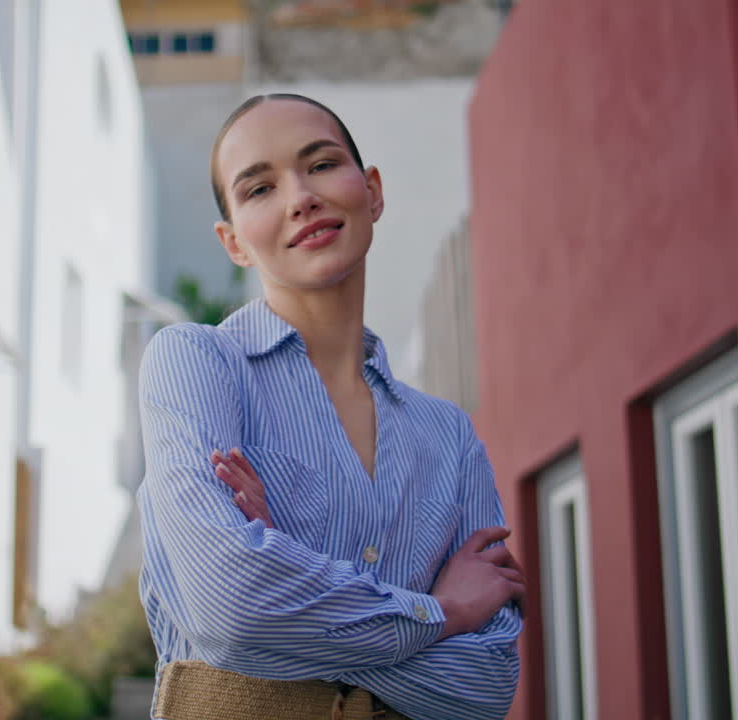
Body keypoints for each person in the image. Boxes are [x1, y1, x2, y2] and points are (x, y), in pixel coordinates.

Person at [136, 94, 524, 720]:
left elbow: (485, 686)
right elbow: (231, 607)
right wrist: (441, 611)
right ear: (233, 241)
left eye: (320, 165)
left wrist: (284, 574)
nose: (300, 198)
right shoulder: (195, 364)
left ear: (371, 192)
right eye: (259, 189)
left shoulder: (448, 435)